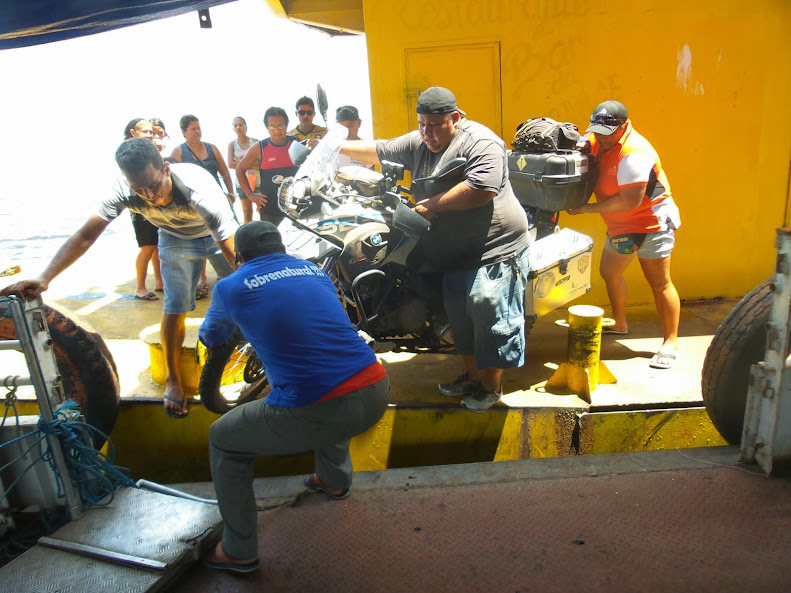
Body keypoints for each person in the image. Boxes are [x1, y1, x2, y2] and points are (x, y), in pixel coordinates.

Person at [198, 221, 390, 573]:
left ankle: (238, 549)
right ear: (282, 249)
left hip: (325, 407)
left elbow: (211, 337)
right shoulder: (313, 270)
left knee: (223, 439)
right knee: (328, 378)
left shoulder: (230, 286)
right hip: (377, 388)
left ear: (239, 257)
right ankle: (334, 481)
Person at [0, 138, 238, 418]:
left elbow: (233, 251)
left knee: (242, 292)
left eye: (154, 185)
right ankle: (173, 378)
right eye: (140, 189)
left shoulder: (199, 191)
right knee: (174, 308)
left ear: (166, 168)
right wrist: (45, 278)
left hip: (216, 235)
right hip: (175, 238)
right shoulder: (123, 191)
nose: (150, 196)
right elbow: (85, 235)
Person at [339, 86, 530, 412]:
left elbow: (481, 189)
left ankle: (491, 384)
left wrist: (434, 205)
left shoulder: (481, 142)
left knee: (486, 307)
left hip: (495, 246)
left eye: (434, 124)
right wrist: (335, 147)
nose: (426, 132)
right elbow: (381, 149)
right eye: (422, 124)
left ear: (454, 118)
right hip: (454, 246)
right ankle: (470, 375)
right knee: (457, 310)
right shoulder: (420, 141)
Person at [566, 100, 681, 369]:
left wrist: (588, 208)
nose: (601, 138)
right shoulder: (596, 138)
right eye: (597, 131)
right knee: (609, 272)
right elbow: (582, 144)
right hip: (621, 226)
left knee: (659, 283)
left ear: (625, 126)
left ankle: (671, 342)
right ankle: (620, 323)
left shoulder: (634, 153)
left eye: (608, 133)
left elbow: (630, 201)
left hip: (651, 223)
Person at [170, 114, 237, 299]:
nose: (197, 131)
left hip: (218, 199)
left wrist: (231, 193)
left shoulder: (211, 148)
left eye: (198, 127)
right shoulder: (179, 152)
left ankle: (226, 271)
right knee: (200, 238)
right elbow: (173, 180)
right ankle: (202, 279)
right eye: (192, 129)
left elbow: (224, 172)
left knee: (225, 234)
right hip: (195, 204)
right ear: (184, 132)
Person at [234, 107, 298, 226]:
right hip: (271, 212)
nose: (277, 131)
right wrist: (250, 195)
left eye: (280, 126)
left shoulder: (297, 143)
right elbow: (239, 169)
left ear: (287, 126)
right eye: (272, 127)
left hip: (297, 208)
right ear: (267, 127)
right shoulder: (260, 147)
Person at [123, 118, 164, 301]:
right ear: (133, 133)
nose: (150, 135)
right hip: (140, 205)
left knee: (156, 245)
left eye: (151, 132)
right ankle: (140, 287)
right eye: (145, 132)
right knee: (147, 246)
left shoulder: (149, 150)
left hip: (154, 203)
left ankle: (159, 281)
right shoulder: (129, 151)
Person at [226, 116, 260, 224]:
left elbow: (261, 161)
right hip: (242, 182)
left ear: (246, 126)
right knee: (247, 211)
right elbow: (231, 164)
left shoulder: (255, 142)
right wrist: (249, 163)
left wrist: (242, 164)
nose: (238, 127)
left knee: (262, 209)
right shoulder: (232, 145)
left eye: (241, 124)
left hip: (258, 180)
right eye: (235, 125)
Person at [334, 105, 374, 170]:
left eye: (350, 125)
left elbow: (372, 177)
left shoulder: (366, 148)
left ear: (359, 123)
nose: (347, 130)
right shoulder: (331, 147)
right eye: (342, 127)